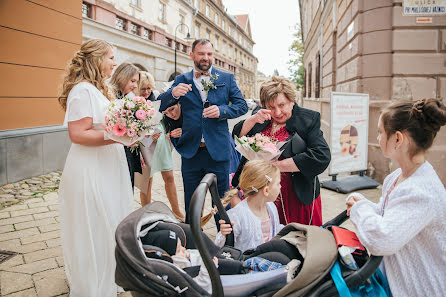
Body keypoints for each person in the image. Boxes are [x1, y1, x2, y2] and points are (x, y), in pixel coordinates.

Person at [345, 98, 446, 297]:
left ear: (398, 139)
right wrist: (363, 204)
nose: (378, 136)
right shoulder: (396, 178)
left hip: (420, 289)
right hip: (396, 283)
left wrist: (360, 210)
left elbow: (382, 239)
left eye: (381, 132)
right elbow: (389, 217)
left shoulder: (422, 191)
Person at [57, 39, 134, 297]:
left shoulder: (97, 89)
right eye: (111, 57)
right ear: (97, 58)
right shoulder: (82, 91)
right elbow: (78, 134)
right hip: (91, 168)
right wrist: (119, 136)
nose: (115, 62)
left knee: (109, 221)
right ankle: (93, 284)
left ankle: (110, 276)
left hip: (107, 163)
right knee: (95, 223)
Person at [158, 39, 248, 223]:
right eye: (201, 53)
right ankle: (192, 244)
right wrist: (173, 94)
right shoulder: (181, 80)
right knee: (192, 203)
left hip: (218, 152)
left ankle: (225, 243)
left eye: (209, 54)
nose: (205, 58)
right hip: (191, 152)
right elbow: (160, 104)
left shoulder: (226, 79)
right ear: (192, 55)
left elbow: (242, 106)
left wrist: (222, 111)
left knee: (222, 204)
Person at [232, 77, 331, 226]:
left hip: (294, 194)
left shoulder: (308, 119)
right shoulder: (262, 116)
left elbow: (321, 156)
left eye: (282, 105)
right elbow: (237, 135)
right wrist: (252, 120)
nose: (277, 112)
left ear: (292, 101)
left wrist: (277, 166)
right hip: (259, 193)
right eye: (271, 107)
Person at [134, 71, 185, 221]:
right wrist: (145, 138)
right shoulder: (133, 104)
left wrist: (167, 135)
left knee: (169, 177)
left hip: (161, 142)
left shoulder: (157, 101)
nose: (147, 92)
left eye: (149, 88)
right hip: (144, 146)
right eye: (143, 88)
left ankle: (177, 212)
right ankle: (146, 214)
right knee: (146, 182)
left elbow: (166, 121)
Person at [215, 160, 284, 252]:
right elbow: (221, 247)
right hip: (246, 262)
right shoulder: (237, 215)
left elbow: (275, 231)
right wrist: (224, 235)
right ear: (266, 190)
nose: (280, 187)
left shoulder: (271, 207)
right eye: (278, 183)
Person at [110, 62, 141, 188]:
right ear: (123, 76)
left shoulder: (128, 97)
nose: (135, 85)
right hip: (114, 151)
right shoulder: (109, 96)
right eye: (132, 81)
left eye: (136, 82)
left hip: (128, 151)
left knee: (128, 186)